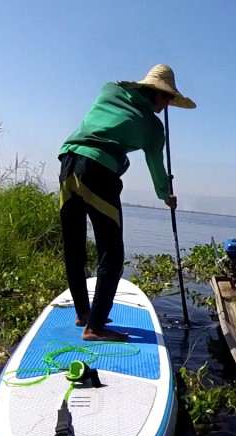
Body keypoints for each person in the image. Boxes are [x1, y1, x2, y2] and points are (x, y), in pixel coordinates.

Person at [58, 64, 195, 341]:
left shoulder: (109, 91)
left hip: (68, 162)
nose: (166, 105)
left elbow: (117, 85)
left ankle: (84, 313)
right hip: (98, 171)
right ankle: (94, 327)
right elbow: (157, 165)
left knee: (74, 247)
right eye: (167, 97)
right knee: (112, 254)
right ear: (157, 93)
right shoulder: (154, 128)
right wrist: (165, 194)